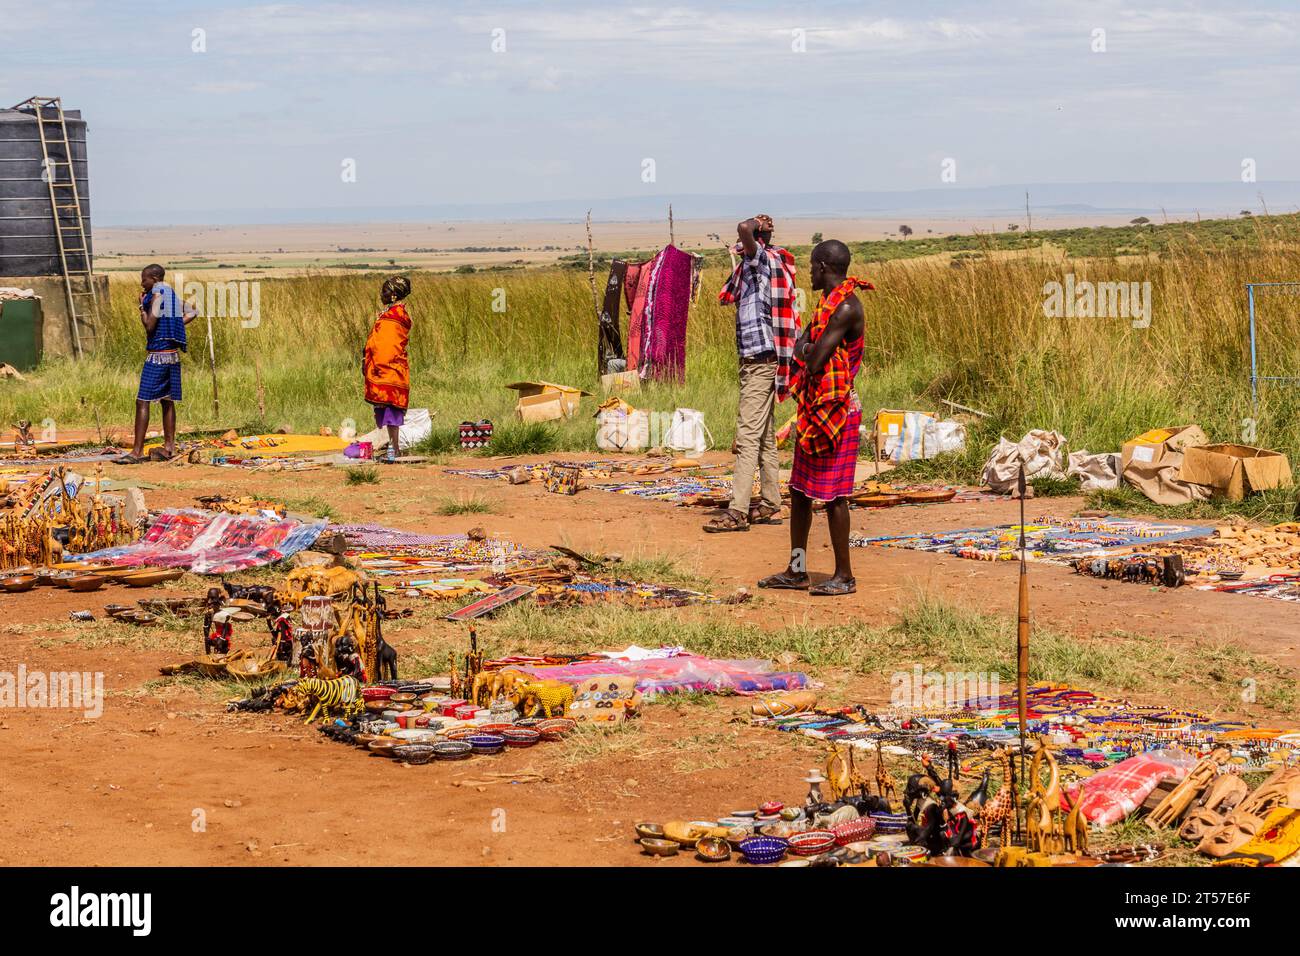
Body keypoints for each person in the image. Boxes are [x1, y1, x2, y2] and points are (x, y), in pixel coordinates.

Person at [759, 240, 872, 596]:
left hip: (837, 411)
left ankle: (845, 576)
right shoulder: (828, 305)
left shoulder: (846, 308)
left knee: (836, 496)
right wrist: (806, 349)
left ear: (823, 266)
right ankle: (796, 570)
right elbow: (802, 349)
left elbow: (814, 359)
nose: (808, 271)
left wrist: (807, 349)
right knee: (800, 491)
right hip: (815, 408)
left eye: (811, 265)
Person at [705, 215, 799, 532]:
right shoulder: (756, 268)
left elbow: (745, 230)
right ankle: (771, 503)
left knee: (746, 438)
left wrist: (753, 223)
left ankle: (738, 511)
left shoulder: (762, 263)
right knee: (764, 438)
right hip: (762, 361)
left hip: (761, 362)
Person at [120, 264, 196, 463]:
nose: (141, 283)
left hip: (158, 356)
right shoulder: (169, 293)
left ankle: (136, 452)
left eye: (144, 279)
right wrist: (174, 326)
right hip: (173, 356)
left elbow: (149, 325)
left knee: (142, 401)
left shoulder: (156, 295)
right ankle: (169, 447)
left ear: (154, 278)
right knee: (167, 400)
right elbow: (192, 312)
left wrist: (140, 307)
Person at [363, 275, 413, 463]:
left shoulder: (396, 315)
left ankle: (394, 448)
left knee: (393, 409)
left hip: (390, 367)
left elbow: (387, 344)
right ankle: (392, 447)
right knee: (386, 409)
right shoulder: (391, 313)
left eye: (385, 292)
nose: (381, 295)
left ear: (393, 296)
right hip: (384, 367)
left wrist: (378, 363)